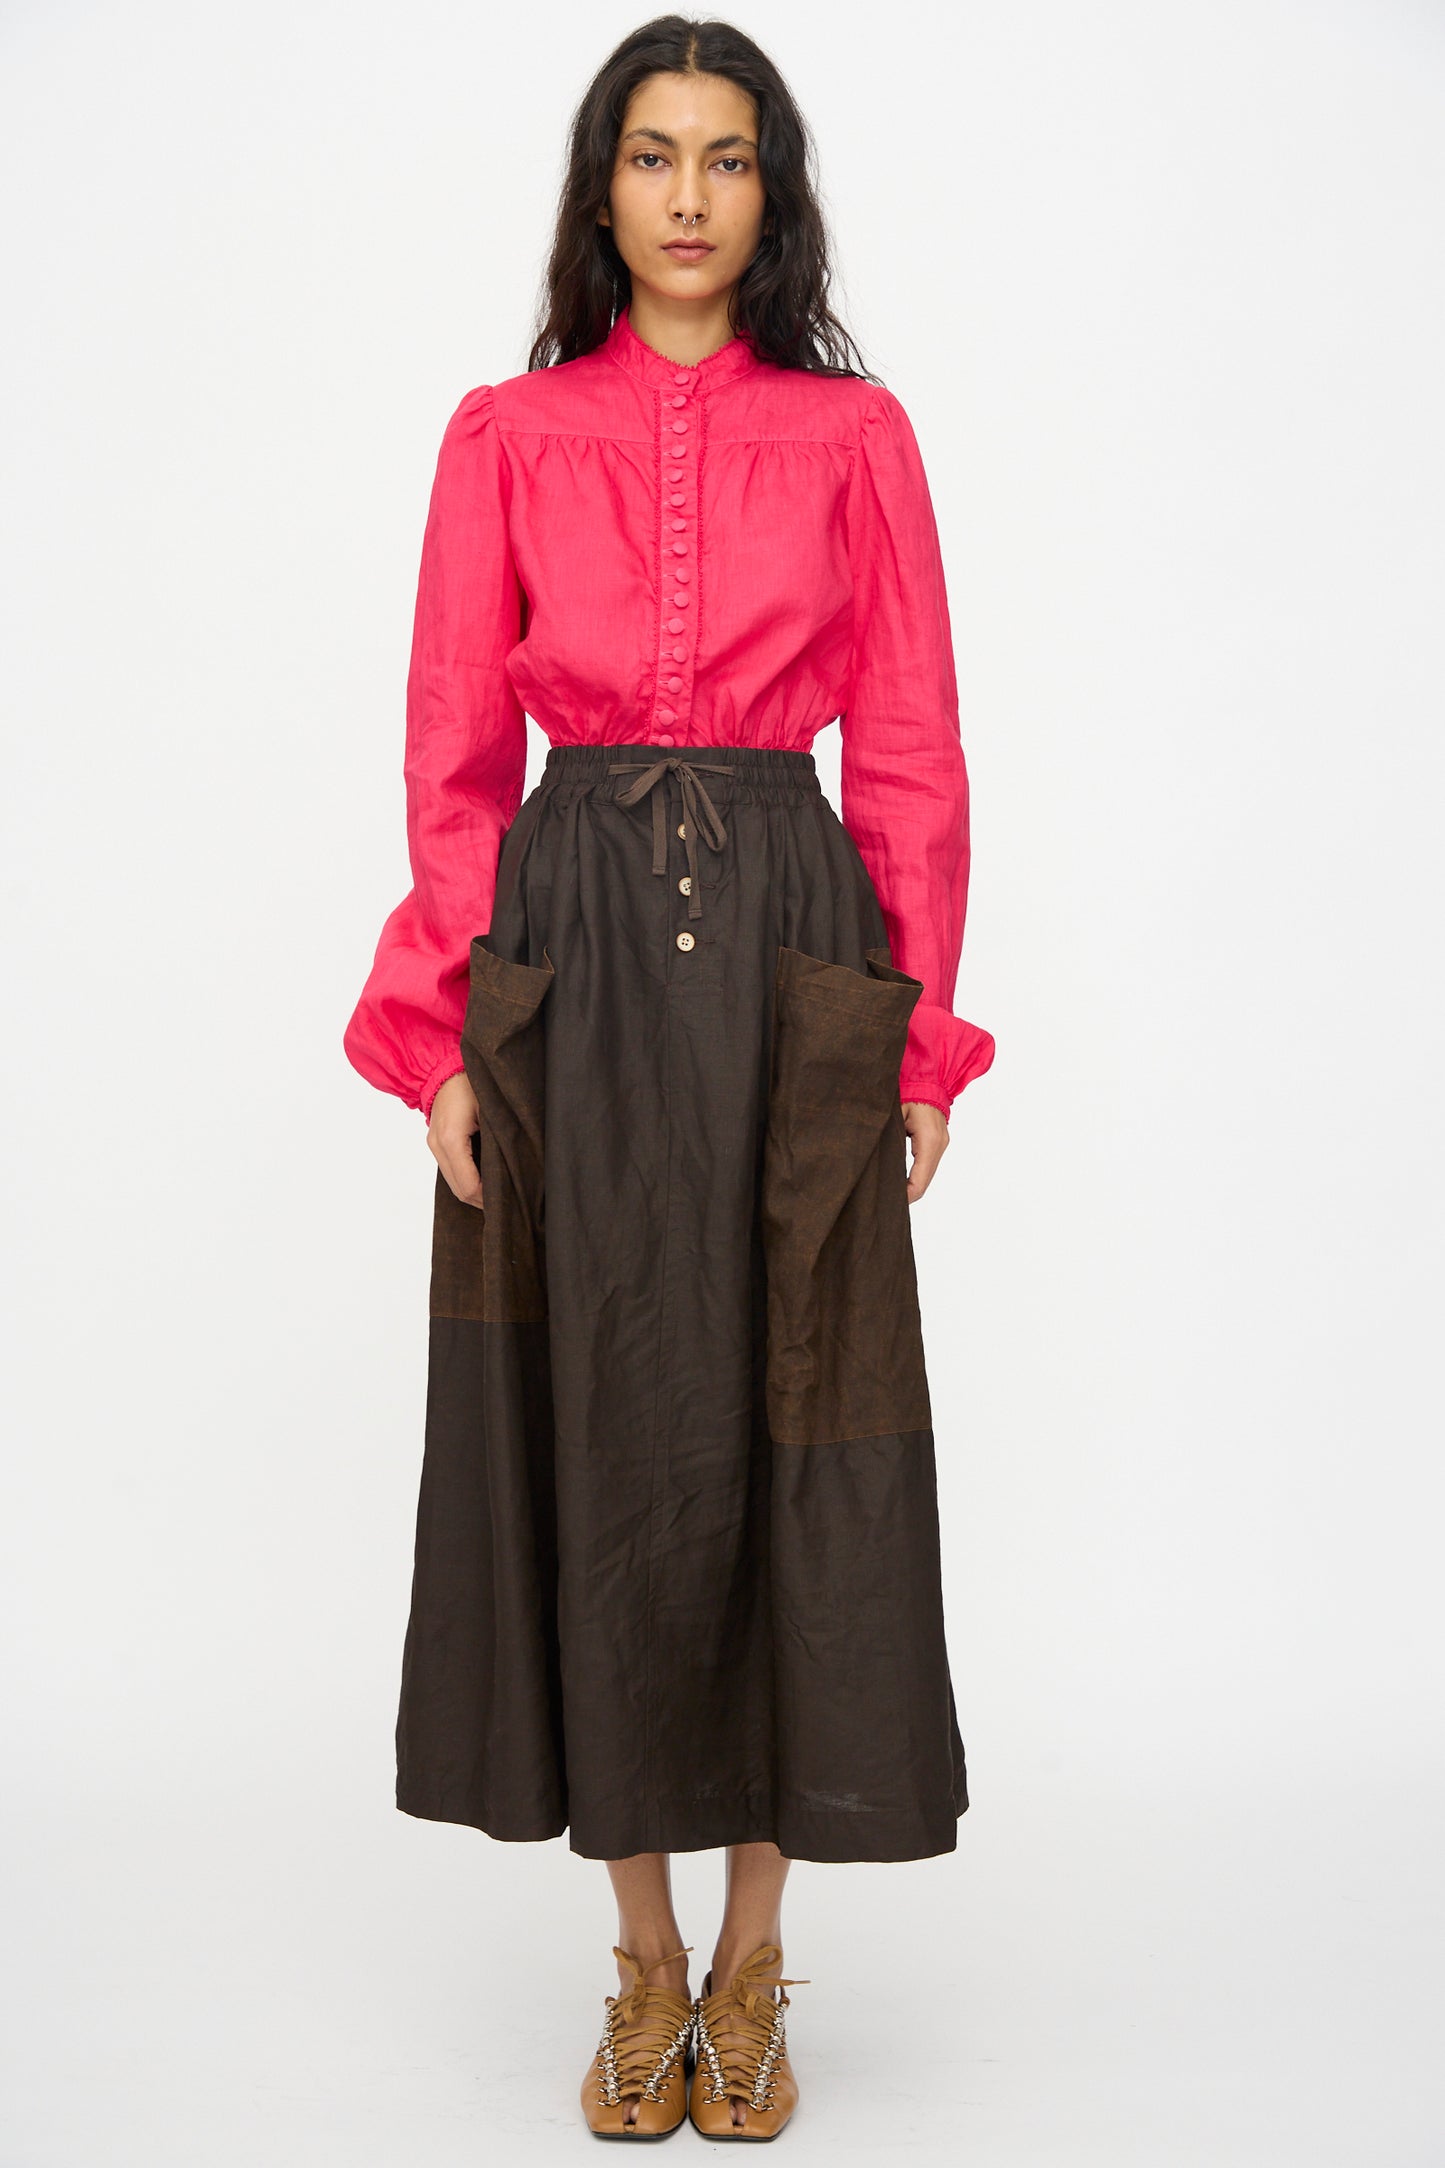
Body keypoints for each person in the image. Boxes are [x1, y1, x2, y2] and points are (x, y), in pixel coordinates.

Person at [342, 14, 995, 2142]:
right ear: (601, 189)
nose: (692, 194)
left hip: (795, 938)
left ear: (771, 193)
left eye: (728, 157)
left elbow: (906, 745)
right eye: (653, 154)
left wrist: (913, 1025)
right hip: (571, 946)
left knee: (795, 1414)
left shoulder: (858, 437)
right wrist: (443, 1032)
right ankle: (636, 1957)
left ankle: (753, 1958)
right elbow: (452, 749)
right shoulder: (506, 434)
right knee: (599, 1426)